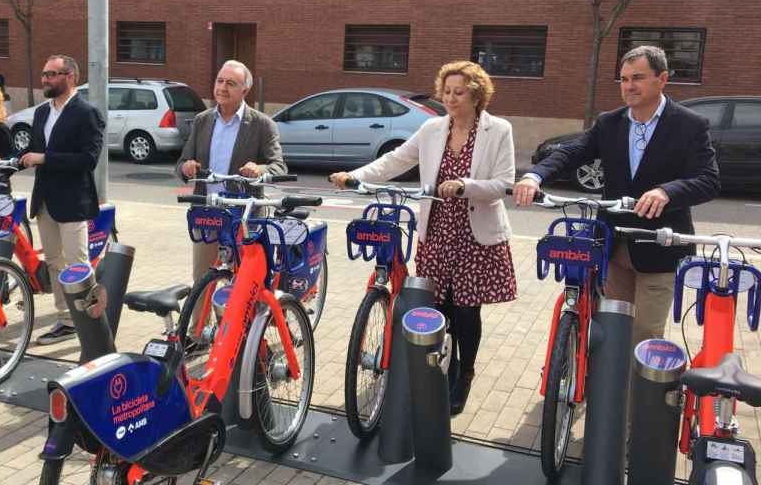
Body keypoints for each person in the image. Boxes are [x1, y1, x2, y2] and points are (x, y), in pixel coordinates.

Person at [330, 60, 517, 416]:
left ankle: (465, 374)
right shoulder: (433, 129)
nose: (450, 98)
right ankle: (442, 370)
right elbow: (395, 161)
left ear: (477, 94)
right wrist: (354, 176)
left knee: (466, 312)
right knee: (439, 309)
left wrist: (466, 186)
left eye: (458, 92)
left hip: (475, 235)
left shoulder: (499, 131)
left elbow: (504, 184)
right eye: (446, 91)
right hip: (438, 232)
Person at [514, 45, 720, 349]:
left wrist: (667, 191)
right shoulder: (610, 122)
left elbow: (708, 180)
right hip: (613, 246)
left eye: (637, 77)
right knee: (612, 329)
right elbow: (574, 152)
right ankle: (606, 393)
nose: (629, 86)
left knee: (645, 335)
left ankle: (640, 396)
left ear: (662, 79)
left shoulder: (689, 125)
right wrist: (535, 175)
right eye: (623, 79)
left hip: (658, 248)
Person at [177, 59, 287, 283]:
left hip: (243, 217)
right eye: (219, 81)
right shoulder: (202, 120)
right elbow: (182, 162)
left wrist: (259, 169)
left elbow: (278, 165)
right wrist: (186, 167)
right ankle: (200, 319)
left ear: (245, 90)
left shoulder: (262, 124)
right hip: (206, 213)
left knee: (243, 283)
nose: (222, 88)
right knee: (202, 280)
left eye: (231, 83)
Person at [20, 55, 105, 345]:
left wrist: (45, 158)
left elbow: (88, 159)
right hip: (45, 199)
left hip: (73, 200)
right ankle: (66, 320)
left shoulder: (86, 113)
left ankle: (90, 318)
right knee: (55, 262)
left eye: (52, 75)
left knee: (77, 263)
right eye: (44, 74)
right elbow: (32, 150)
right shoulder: (42, 112)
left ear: (70, 76)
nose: (45, 80)